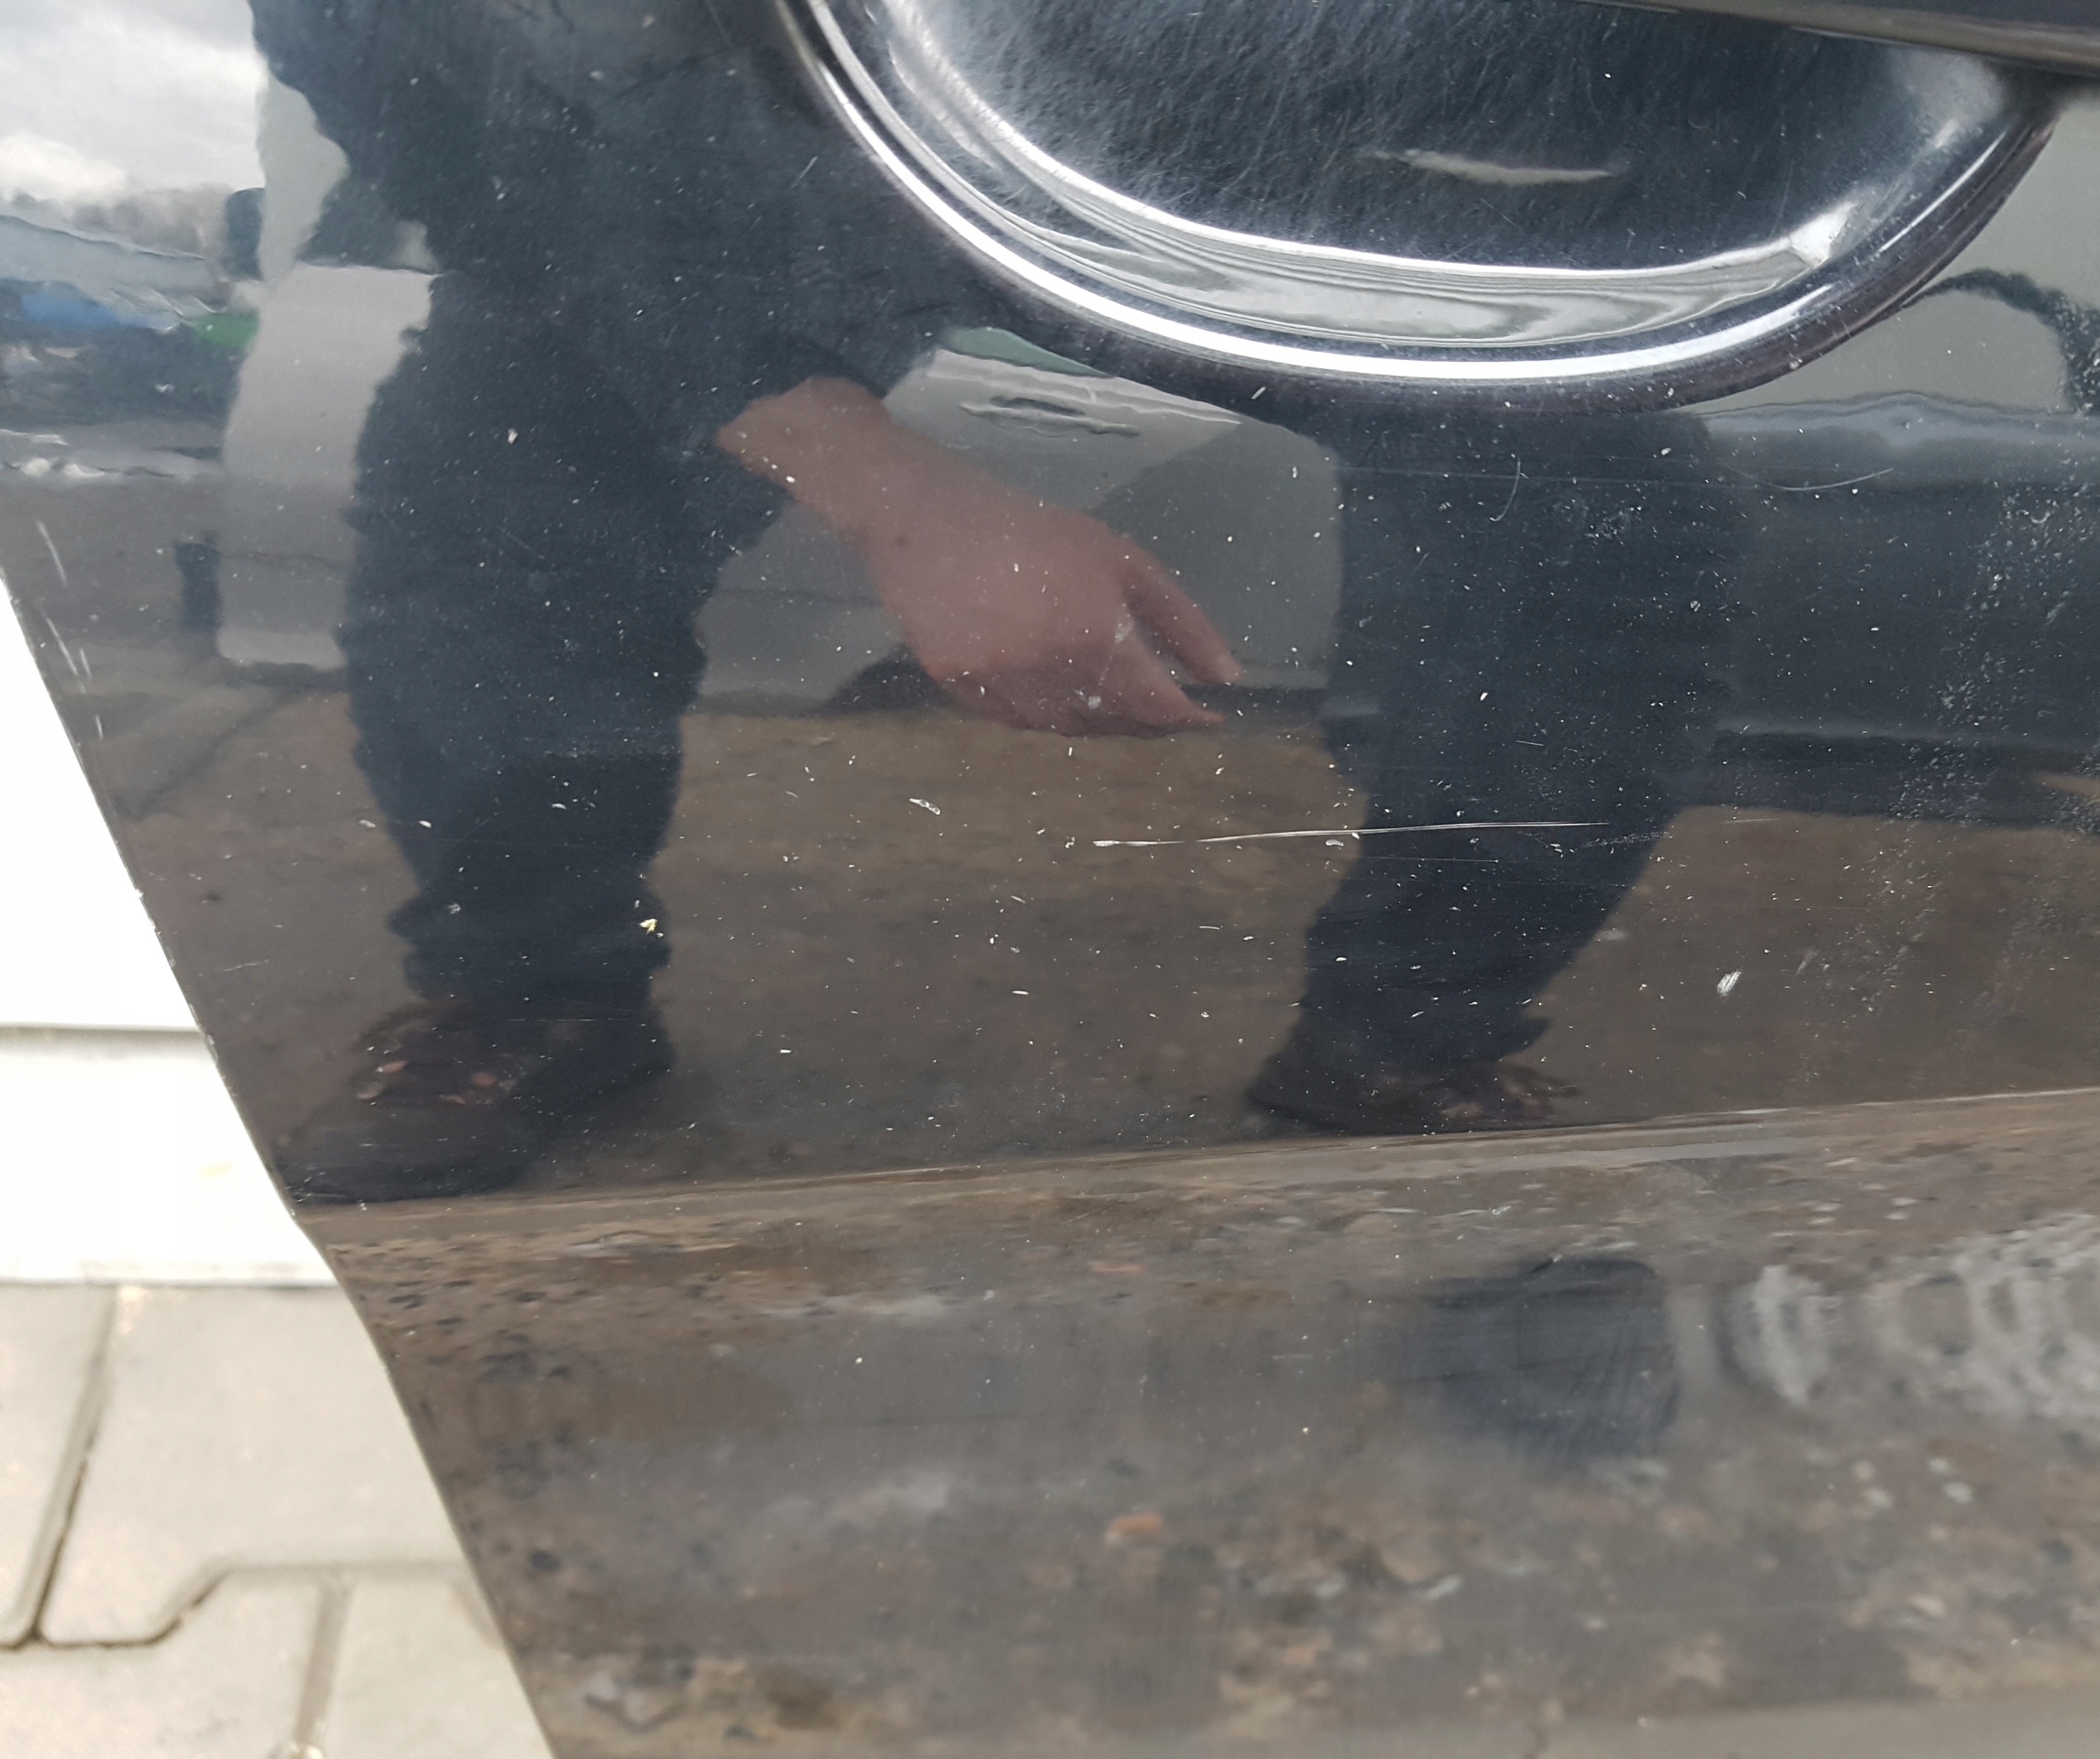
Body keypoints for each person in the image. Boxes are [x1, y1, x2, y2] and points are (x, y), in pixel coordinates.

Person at [253, 0, 1741, 1198]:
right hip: (703, 143)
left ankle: (1412, 1036)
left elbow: (1634, 74)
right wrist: (893, 494)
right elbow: (407, 75)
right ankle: (529, 995)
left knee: (1609, 483)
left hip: (1183, 152)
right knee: (501, 466)